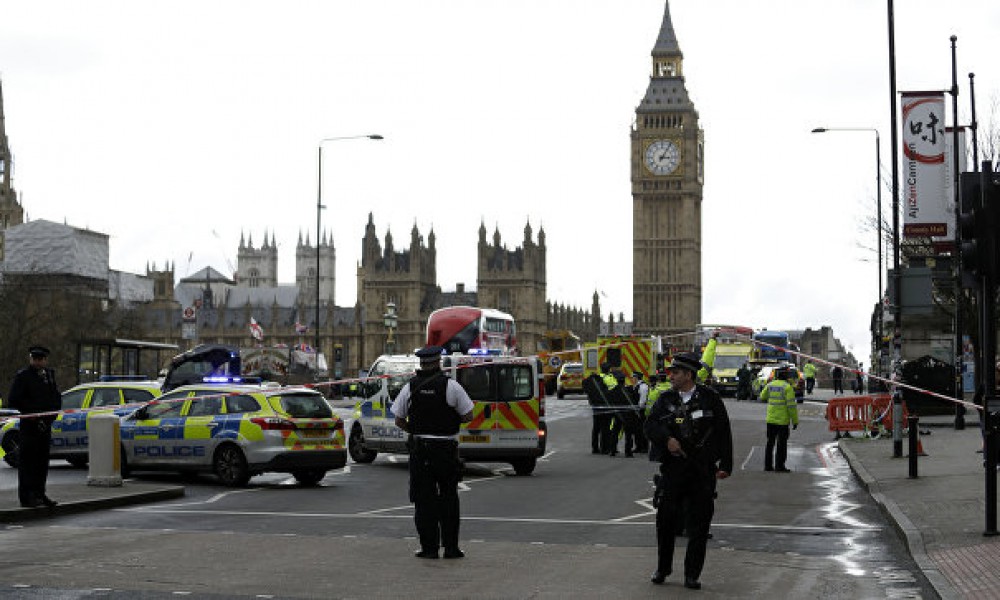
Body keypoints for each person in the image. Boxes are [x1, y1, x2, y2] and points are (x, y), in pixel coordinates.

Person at [644, 352, 733, 590]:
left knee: (699, 524)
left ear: (688, 375)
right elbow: (650, 425)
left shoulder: (710, 398)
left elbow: (723, 430)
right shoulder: (665, 399)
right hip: (673, 470)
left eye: (675, 372)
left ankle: (692, 574)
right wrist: (667, 439)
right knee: (665, 522)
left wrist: (726, 464)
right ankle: (663, 568)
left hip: (701, 470)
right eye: (671, 372)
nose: (670, 375)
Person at [391, 345, 474, 559]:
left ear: (421, 363)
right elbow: (468, 415)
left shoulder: (410, 387)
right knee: (448, 499)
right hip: (445, 450)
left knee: (423, 501)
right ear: (438, 362)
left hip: (421, 451)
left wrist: (418, 430)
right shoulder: (451, 386)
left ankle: (429, 549)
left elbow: (399, 419)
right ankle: (451, 548)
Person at [7, 346, 62, 508]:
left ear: (45, 360)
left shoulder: (49, 375)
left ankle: (40, 493)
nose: (38, 362)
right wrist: (34, 416)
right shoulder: (23, 376)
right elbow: (15, 399)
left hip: (45, 425)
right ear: (31, 359)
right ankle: (27, 496)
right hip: (30, 426)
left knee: (42, 462)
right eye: (35, 359)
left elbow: (55, 398)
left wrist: (50, 418)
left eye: (41, 359)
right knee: (28, 463)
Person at [760, 367, 798, 472]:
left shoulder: (770, 385)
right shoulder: (787, 388)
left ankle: (767, 466)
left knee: (770, 443)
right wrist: (795, 421)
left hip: (771, 420)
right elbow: (791, 406)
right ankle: (779, 466)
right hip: (782, 421)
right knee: (782, 444)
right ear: (785, 376)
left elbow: (762, 396)